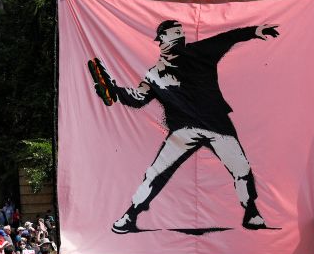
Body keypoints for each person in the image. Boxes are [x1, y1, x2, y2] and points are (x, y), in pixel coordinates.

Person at [93, 21, 280, 234]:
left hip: (216, 125)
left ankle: (251, 211)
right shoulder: (155, 73)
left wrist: (253, 31)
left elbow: (228, 37)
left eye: (181, 33)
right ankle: (131, 215)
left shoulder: (199, 53)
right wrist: (114, 91)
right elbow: (137, 99)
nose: (179, 36)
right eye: (174, 33)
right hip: (183, 130)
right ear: (161, 39)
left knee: (241, 169)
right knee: (155, 173)